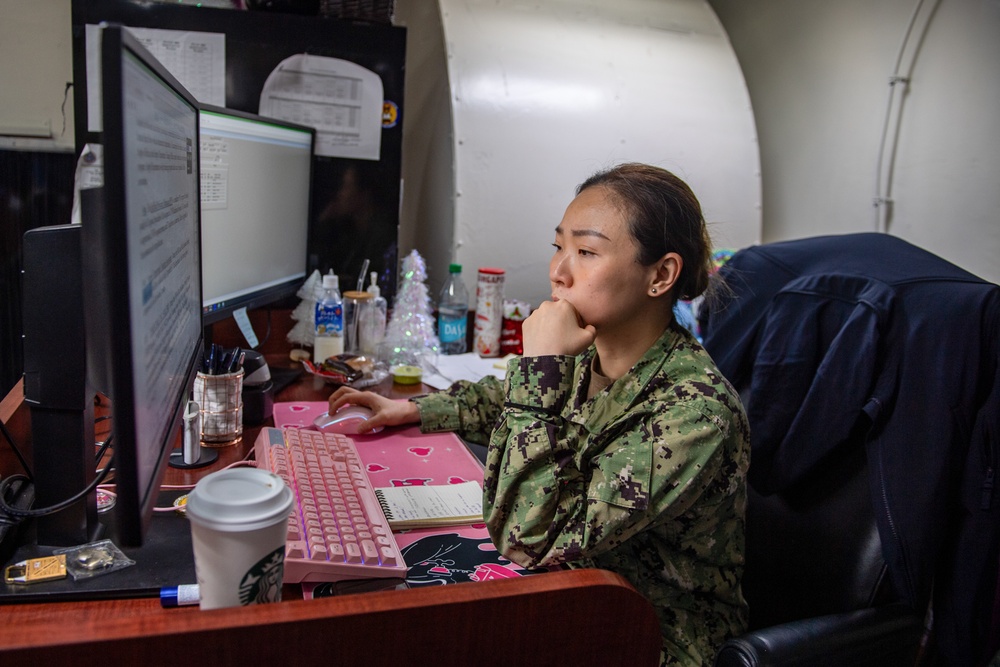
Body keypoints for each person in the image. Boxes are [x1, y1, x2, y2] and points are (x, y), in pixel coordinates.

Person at [329, 163, 750, 665]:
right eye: (559, 247)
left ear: (660, 275)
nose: (559, 271)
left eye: (586, 252)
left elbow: (529, 536)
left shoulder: (696, 412)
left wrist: (541, 366)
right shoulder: (594, 354)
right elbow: (501, 396)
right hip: (577, 593)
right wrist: (413, 409)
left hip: (650, 635)